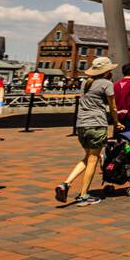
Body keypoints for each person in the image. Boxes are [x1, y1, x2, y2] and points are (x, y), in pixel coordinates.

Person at [54, 57, 124, 206]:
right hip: (96, 124)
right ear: (106, 71)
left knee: (87, 157)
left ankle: (66, 183)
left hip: (82, 125)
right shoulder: (107, 84)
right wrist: (117, 122)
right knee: (94, 159)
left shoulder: (86, 82)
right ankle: (84, 195)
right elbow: (113, 107)